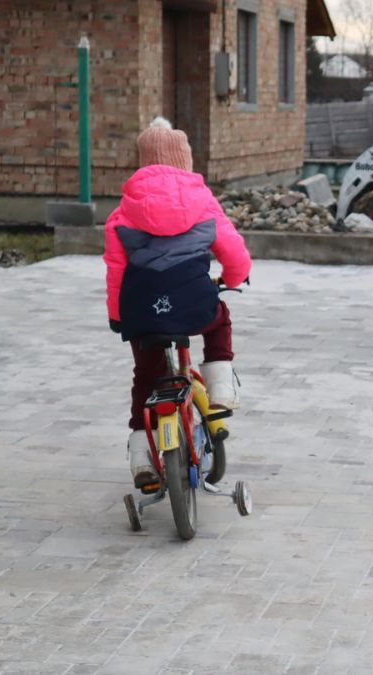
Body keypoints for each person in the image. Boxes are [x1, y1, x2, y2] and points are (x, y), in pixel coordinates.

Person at [103, 117, 252, 490]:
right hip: (194, 304)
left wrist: (118, 316)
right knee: (219, 319)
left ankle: (142, 460)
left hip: (143, 310)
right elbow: (231, 249)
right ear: (184, 160)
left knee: (145, 380)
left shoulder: (122, 211)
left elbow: (116, 271)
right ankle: (220, 389)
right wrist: (234, 278)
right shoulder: (203, 201)